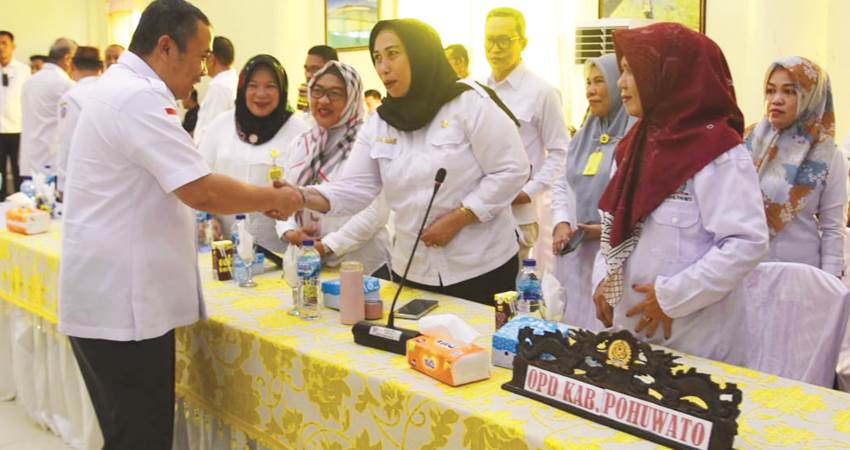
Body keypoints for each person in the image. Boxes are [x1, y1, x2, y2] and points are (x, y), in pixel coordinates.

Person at [58, 2, 300, 448]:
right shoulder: (137, 97)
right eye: (202, 55)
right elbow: (200, 190)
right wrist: (276, 198)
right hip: (122, 311)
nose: (205, 71)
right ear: (166, 47)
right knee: (141, 438)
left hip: (112, 300)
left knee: (129, 436)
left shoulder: (125, 88)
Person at [293, 19, 529, 305]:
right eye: (377, 58)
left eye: (393, 54)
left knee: (478, 347)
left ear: (420, 53)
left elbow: (512, 168)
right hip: (413, 269)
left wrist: (462, 216)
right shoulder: (380, 122)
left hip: (480, 265)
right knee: (417, 348)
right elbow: (355, 189)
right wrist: (300, 196)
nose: (383, 67)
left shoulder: (468, 103)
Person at [592, 23, 768, 349]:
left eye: (632, 71)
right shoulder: (633, 145)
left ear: (669, 75)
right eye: (621, 71)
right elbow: (614, 223)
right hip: (631, 335)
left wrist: (672, 298)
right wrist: (603, 277)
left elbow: (746, 243)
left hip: (696, 338)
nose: (621, 83)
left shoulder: (719, 153)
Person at [277, 61, 391, 277]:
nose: (323, 100)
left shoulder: (368, 142)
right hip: (306, 263)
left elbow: (374, 213)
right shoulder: (301, 143)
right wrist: (290, 232)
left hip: (362, 267)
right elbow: (285, 194)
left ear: (353, 99)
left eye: (335, 93)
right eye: (317, 91)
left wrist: (326, 246)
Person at [744, 57, 847, 277]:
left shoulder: (827, 155)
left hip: (799, 275)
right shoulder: (747, 142)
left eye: (789, 92)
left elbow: (832, 229)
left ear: (811, 97)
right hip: (745, 270)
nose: (776, 100)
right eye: (771, 91)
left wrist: (830, 284)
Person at [552, 53, 632, 331]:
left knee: (605, 328)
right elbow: (562, 182)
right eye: (588, 82)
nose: (591, 90)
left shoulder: (634, 135)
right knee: (575, 324)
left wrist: (607, 229)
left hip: (612, 252)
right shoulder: (584, 134)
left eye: (600, 81)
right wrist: (561, 221)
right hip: (577, 249)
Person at [484, 7, 569, 270]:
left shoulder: (542, 92)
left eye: (503, 40)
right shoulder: (477, 91)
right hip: (480, 213)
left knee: (512, 294)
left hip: (517, 216)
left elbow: (560, 152)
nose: (495, 49)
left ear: (523, 42)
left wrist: (529, 191)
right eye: (489, 40)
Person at [199, 54, 308, 250]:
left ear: (282, 90)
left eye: (270, 86)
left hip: (282, 250)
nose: (261, 93)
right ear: (242, 88)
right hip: (225, 249)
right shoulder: (220, 125)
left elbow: (308, 192)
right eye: (253, 86)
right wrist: (207, 218)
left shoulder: (298, 131)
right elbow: (199, 177)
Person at [20, 37, 76, 179]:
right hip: (51, 162)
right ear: (68, 58)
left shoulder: (29, 82)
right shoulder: (66, 84)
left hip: (28, 160)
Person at [56, 46, 103, 194]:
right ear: (101, 67)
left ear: (72, 65)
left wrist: (62, 185)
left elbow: (67, 143)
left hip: (84, 178)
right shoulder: (112, 91)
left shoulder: (72, 98)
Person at [0, 31, 30, 197]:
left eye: (4, 43)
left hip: (18, 128)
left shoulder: (23, 70)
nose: (1, 47)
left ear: (13, 47)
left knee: (19, 168)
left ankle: (21, 200)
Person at [193, 35, 237, 144]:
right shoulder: (232, 81)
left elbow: (209, 128)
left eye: (204, 57)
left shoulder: (219, 87)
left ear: (212, 58)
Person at [297, 44, 338, 114]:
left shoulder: (342, 99)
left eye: (315, 69)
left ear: (332, 70)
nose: (308, 75)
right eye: (307, 69)